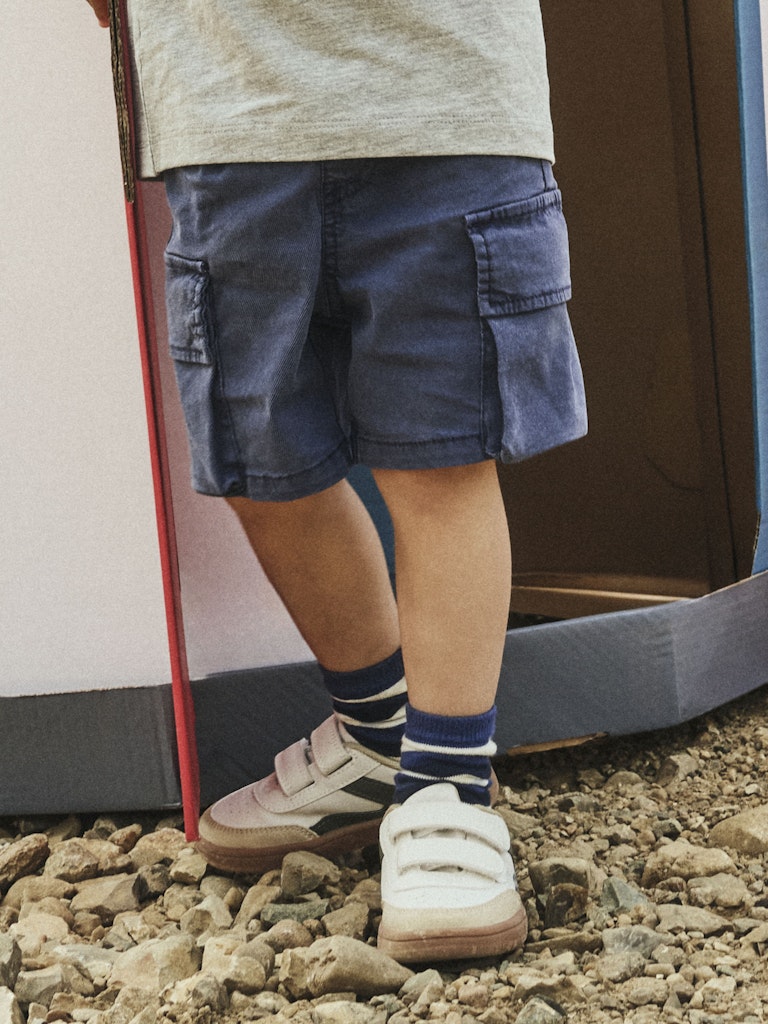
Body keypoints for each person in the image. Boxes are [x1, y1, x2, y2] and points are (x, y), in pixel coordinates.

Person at [86, 0, 587, 962]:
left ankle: (447, 786)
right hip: (228, 116)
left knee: (442, 457)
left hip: (444, 103)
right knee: (260, 459)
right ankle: (382, 733)